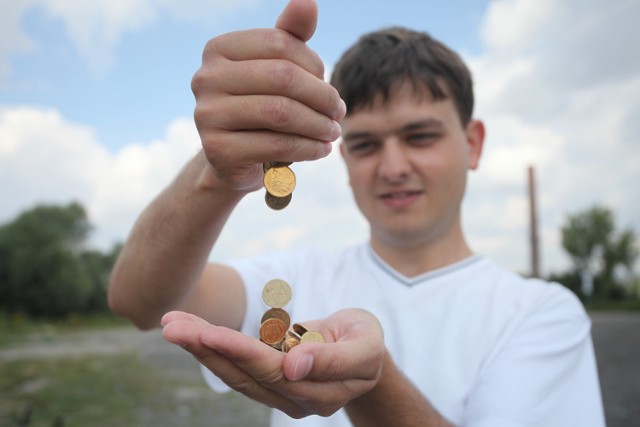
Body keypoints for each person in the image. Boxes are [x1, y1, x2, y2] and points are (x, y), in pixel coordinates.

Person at [108, 0, 605, 426]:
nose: (392, 166)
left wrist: (373, 384)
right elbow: (139, 300)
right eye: (365, 143)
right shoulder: (293, 277)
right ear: (343, 157)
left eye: (420, 136)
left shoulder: (540, 314)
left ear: (472, 144)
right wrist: (218, 173)